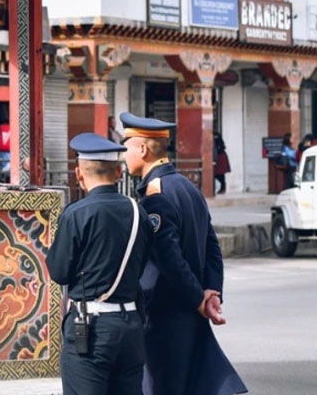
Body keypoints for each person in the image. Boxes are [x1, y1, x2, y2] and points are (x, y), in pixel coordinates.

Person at [120, 112, 246, 395]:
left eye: (126, 147)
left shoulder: (156, 194)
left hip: (166, 315)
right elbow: (212, 246)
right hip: (190, 312)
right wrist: (211, 290)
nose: (122, 156)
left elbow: (170, 259)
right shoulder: (188, 187)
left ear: (142, 149)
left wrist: (199, 299)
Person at [47, 132, 150, 395]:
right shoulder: (139, 211)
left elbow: (59, 272)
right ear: (118, 173)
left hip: (91, 329)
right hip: (131, 325)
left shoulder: (76, 213)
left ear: (79, 174)